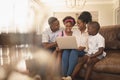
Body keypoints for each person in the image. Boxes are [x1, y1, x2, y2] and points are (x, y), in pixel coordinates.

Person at [61, 11, 92, 80]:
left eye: (79, 23)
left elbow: (91, 45)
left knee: (74, 51)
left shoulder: (89, 32)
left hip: (83, 51)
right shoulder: (75, 32)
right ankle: (64, 75)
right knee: (66, 51)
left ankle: (69, 76)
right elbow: (72, 41)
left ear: (84, 23)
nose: (77, 25)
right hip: (74, 48)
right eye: (77, 23)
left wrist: (84, 47)